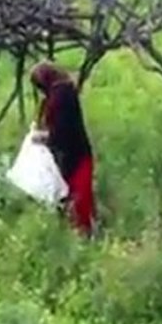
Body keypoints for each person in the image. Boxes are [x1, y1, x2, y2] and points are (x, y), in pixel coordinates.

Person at [29, 62, 97, 237]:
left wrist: (44, 138)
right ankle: (85, 235)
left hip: (73, 155)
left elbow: (62, 130)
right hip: (76, 153)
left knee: (77, 201)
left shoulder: (61, 96)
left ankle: (83, 237)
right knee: (79, 200)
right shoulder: (63, 92)